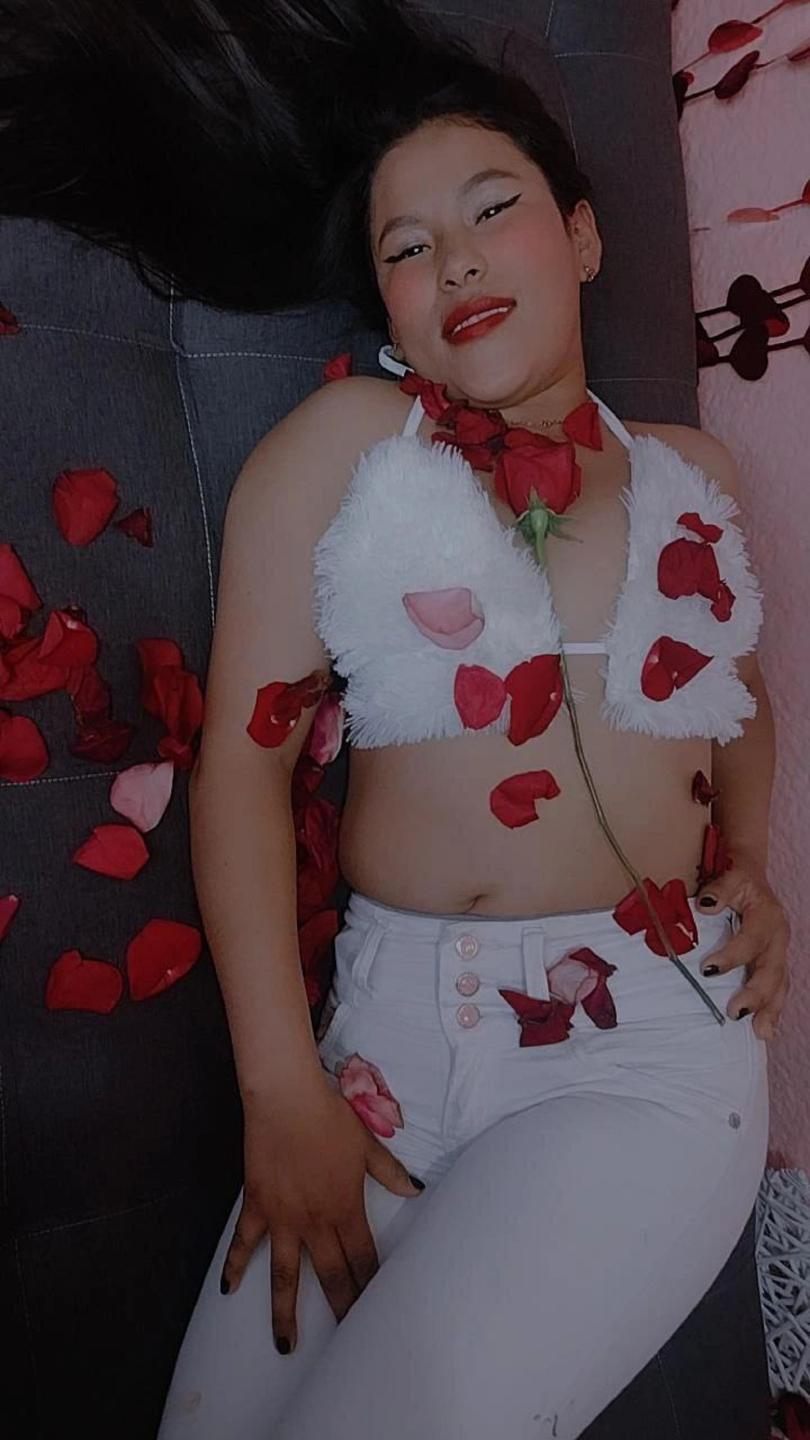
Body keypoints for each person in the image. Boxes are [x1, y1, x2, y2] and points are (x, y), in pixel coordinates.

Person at [154, 28, 790, 1440]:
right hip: (382, 1052)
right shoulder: (345, 446)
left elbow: (732, 697)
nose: (454, 260)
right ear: (388, 299)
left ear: (583, 237)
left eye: (493, 209)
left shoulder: (691, 471)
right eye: (408, 245)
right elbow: (243, 767)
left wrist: (747, 860)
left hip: (639, 1050)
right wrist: (282, 1090)